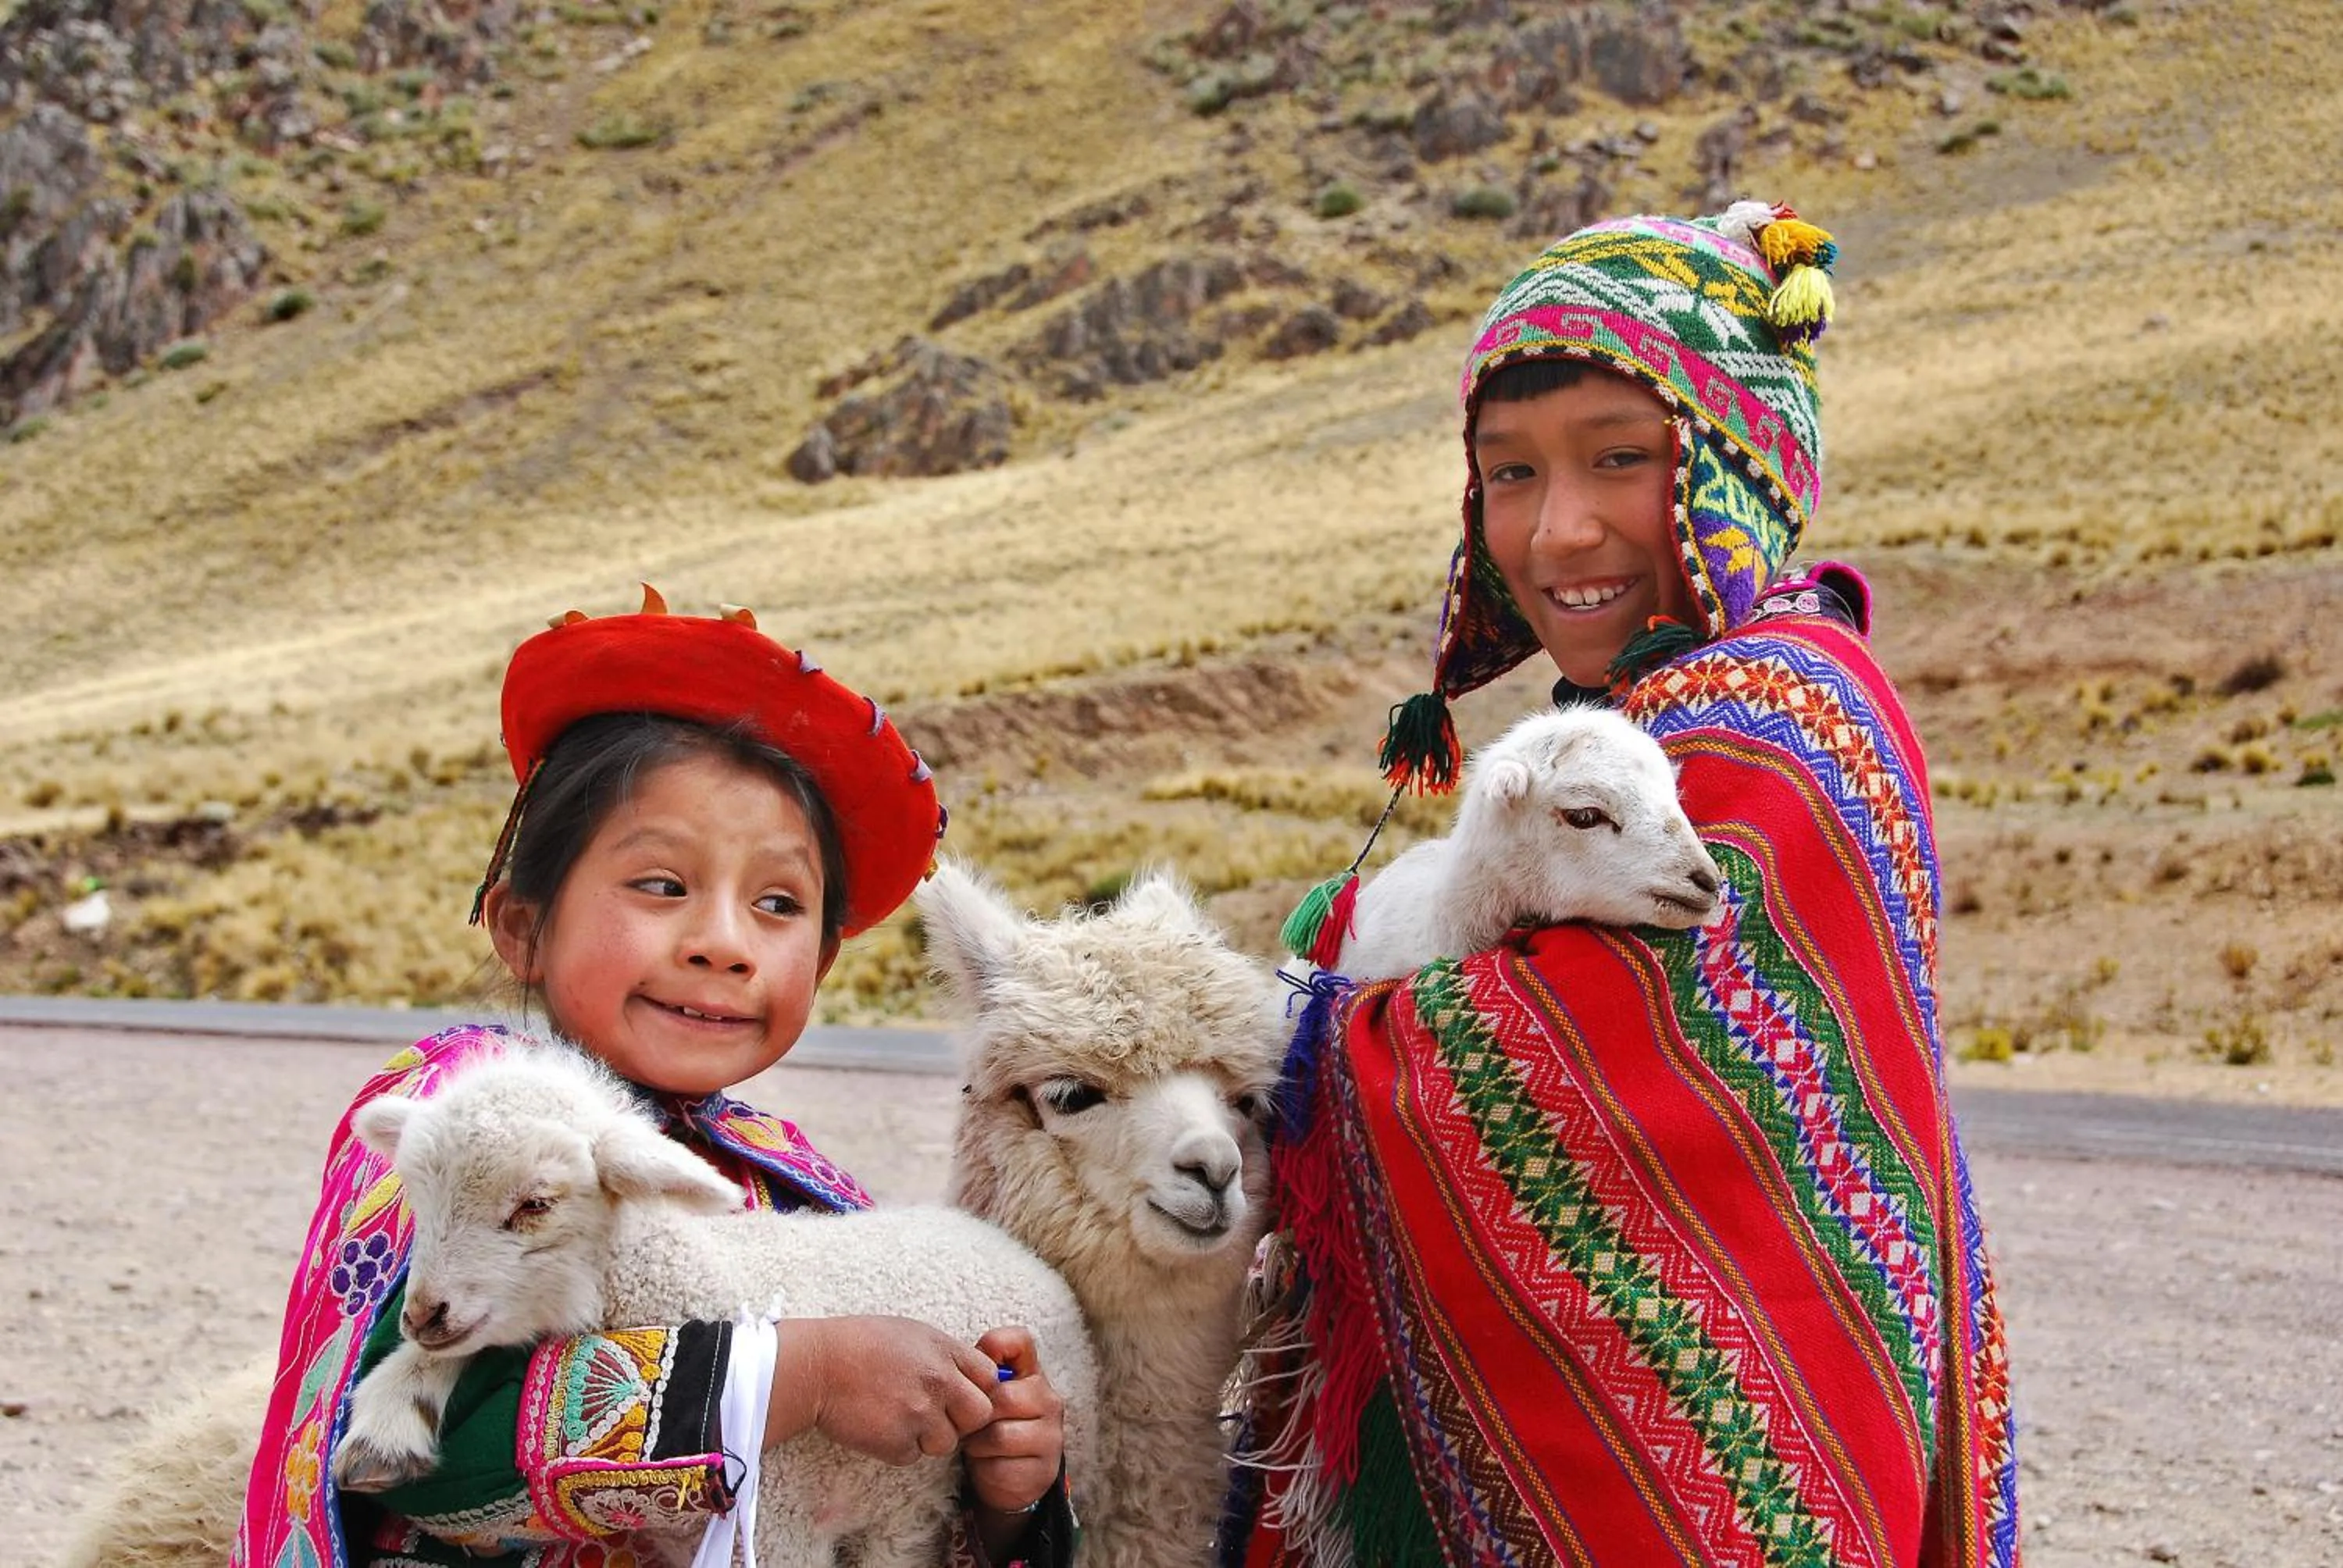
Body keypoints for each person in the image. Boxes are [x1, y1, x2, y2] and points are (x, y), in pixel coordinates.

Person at [1229, 205, 2020, 1566]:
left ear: (1726, 466)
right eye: (1512, 474)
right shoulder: (1640, 711)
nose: (1560, 528)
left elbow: (1562, 1058)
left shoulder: (1776, 721)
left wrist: (1290, 1020)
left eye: (1619, 460)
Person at [233, 591, 1073, 1568]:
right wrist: (796, 1370)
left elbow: (868, 1507)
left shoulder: (793, 1186)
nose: (722, 944)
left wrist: (1004, 1487)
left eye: (776, 902)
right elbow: (408, 1445)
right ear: (522, 926)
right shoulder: (456, 1118)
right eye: (663, 885)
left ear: (824, 963)